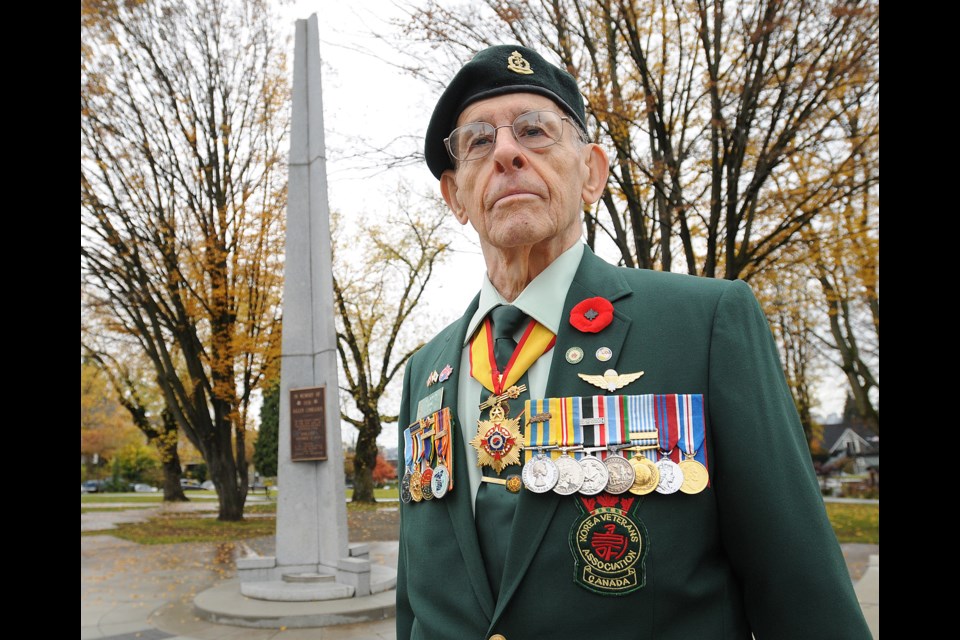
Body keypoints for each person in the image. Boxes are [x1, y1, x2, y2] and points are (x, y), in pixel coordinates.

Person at [396, 44, 870, 640]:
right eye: (478, 143)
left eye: (534, 131)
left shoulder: (704, 325)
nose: (507, 153)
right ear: (455, 196)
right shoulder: (425, 371)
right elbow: (415, 603)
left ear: (591, 171)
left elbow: (802, 593)